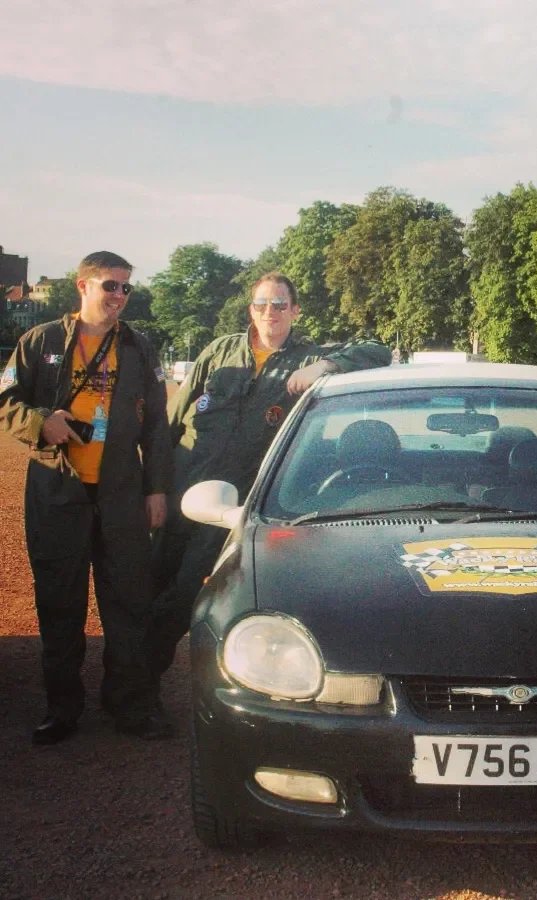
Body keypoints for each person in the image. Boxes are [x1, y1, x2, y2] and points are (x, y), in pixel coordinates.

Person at [146, 272, 391, 697]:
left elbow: (377, 351)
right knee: (146, 584)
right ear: (250, 310)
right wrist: (153, 488)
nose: (270, 313)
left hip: (229, 504)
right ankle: (126, 685)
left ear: (295, 311)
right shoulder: (219, 351)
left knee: (183, 591)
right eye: (262, 304)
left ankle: (139, 690)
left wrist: (326, 365)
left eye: (280, 305)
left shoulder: (307, 359)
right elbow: (171, 421)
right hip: (180, 489)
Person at [0, 251, 173, 744]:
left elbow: (157, 426)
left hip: (120, 493)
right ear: (83, 286)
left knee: (128, 604)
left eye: (125, 289)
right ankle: (62, 708)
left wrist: (156, 488)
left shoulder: (139, 347)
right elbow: (5, 401)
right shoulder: (42, 340)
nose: (118, 296)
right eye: (110, 286)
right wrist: (41, 422)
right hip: (58, 492)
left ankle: (129, 706)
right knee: (60, 603)